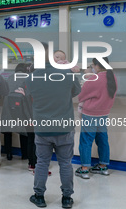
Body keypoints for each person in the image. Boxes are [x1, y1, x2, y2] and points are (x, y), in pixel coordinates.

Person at [27, 43, 81, 209]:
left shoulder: (32, 77)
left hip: (43, 128)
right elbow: (75, 91)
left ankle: (39, 196)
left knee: (42, 162)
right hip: (64, 127)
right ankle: (66, 198)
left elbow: (30, 96)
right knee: (65, 163)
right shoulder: (67, 74)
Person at [75, 57, 117, 179]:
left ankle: (84, 169)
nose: (92, 67)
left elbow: (81, 95)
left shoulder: (95, 78)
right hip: (104, 113)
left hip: (90, 114)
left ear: (97, 65)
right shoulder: (112, 77)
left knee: (86, 141)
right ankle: (103, 167)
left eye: (93, 65)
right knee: (103, 140)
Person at [1, 63, 36, 169]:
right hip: (22, 108)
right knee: (24, 131)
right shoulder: (28, 78)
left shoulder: (9, 77)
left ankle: (9, 154)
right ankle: (25, 154)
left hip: (8, 106)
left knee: (8, 131)